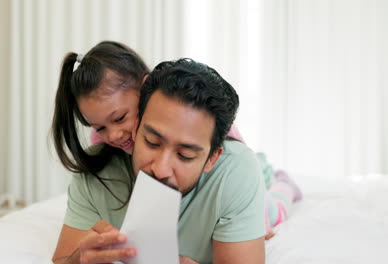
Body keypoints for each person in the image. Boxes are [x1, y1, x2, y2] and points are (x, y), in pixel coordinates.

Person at [51, 42, 302, 263]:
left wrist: (249, 222)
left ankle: (281, 183)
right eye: (151, 141)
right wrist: (77, 261)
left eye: (185, 155)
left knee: (269, 208)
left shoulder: (231, 161)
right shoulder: (104, 155)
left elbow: (236, 163)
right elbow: (64, 258)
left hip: (246, 177)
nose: (114, 135)